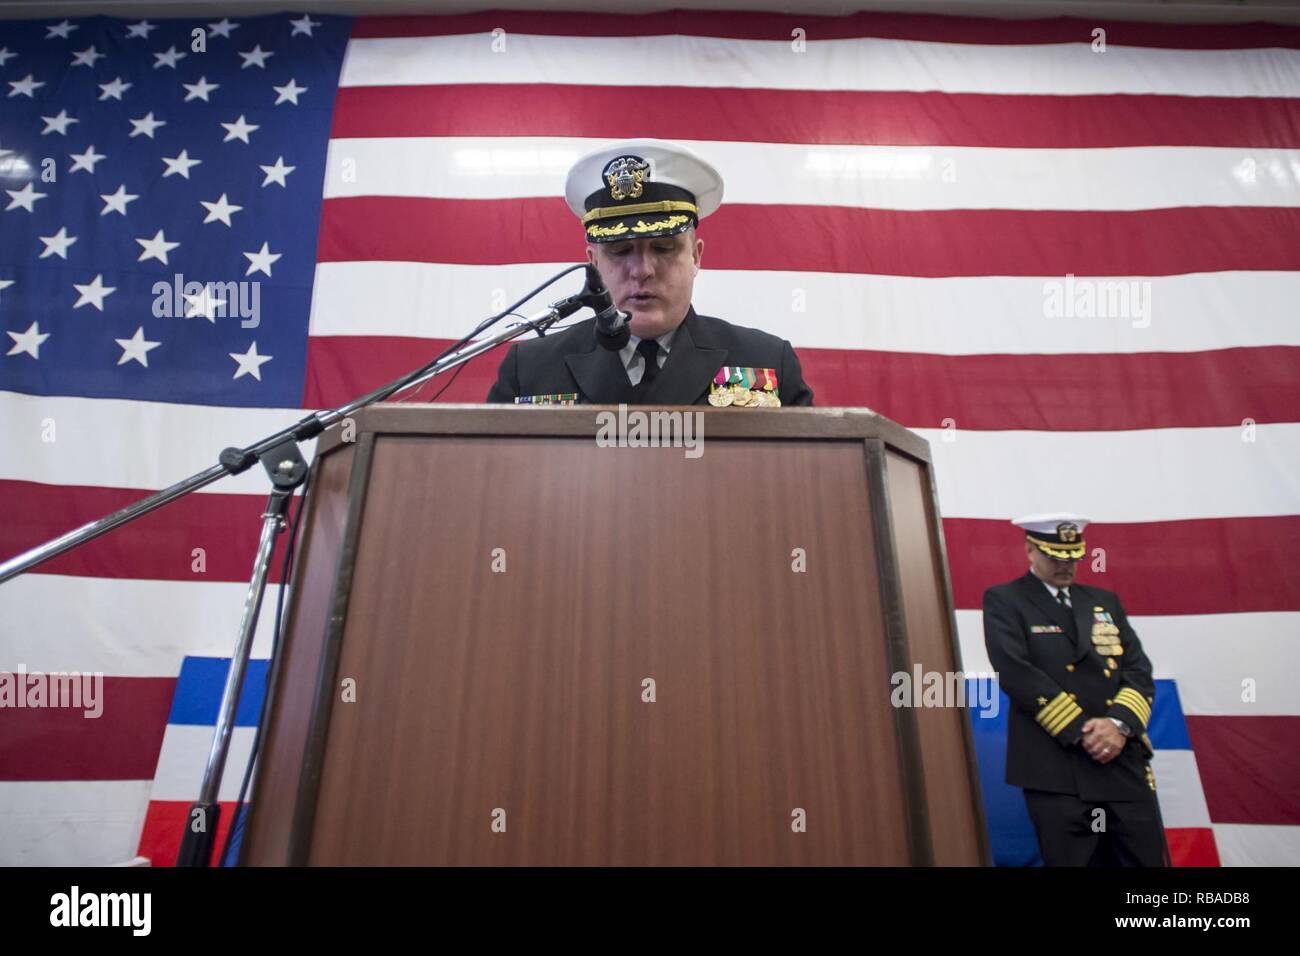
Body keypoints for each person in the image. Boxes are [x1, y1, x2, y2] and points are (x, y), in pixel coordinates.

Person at [485, 139, 814, 407]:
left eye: (663, 248)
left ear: (696, 256)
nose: (642, 270)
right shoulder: (530, 369)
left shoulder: (767, 362)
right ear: (594, 263)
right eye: (620, 251)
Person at [982, 514, 1170, 866]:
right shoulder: (1005, 600)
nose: (1065, 565)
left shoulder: (1104, 601)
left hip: (1120, 762)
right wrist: (1085, 732)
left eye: (1072, 557)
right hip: (1056, 766)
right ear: (1030, 550)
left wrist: (1117, 725)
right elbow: (1015, 671)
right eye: (1055, 556)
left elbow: (1138, 670)